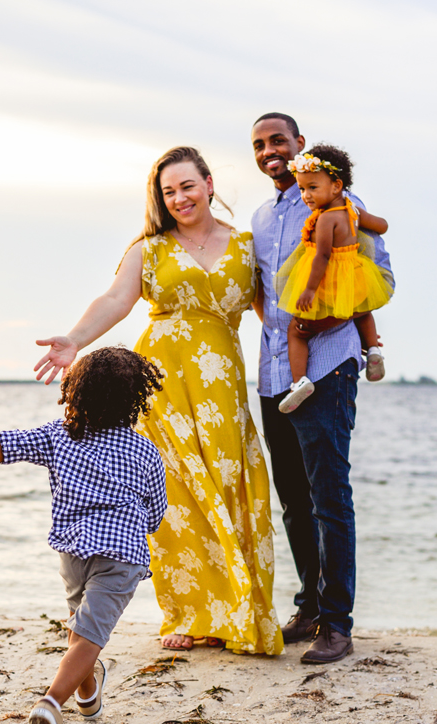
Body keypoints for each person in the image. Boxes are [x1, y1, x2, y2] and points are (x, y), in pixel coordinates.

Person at [35, 146, 283, 656]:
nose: (179, 199)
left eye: (187, 187)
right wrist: (76, 340)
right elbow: (115, 300)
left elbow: (275, 313)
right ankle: (189, 614)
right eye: (168, 192)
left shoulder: (246, 247)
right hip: (162, 388)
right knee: (175, 499)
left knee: (231, 485)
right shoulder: (148, 248)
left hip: (223, 387)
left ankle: (240, 609)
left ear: (210, 184)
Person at [0, 346, 166, 724]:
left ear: (75, 393)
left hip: (73, 553)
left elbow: (4, 446)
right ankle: (52, 703)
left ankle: (88, 695)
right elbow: (155, 514)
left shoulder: (60, 435)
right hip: (121, 554)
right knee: (89, 635)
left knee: (81, 630)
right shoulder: (145, 451)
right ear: (134, 399)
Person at [250, 113, 390, 664]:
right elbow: (261, 291)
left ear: (299, 145)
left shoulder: (344, 207)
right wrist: (279, 328)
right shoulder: (261, 219)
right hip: (273, 373)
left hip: (329, 366)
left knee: (331, 496)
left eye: (277, 141)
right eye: (259, 145)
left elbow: (380, 282)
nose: (269, 152)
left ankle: (337, 624)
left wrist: (318, 323)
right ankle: (308, 606)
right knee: (293, 499)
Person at [276, 145, 393, 413]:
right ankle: (373, 350)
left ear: (336, 185)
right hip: (356, 275)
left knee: (296, 330)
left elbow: (323, 257)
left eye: (312, 188)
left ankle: (299, 381)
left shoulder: (326, 220)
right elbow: (382, 225)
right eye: (302, 189)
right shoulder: (353, 211)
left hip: (330, 282)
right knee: (362, 310)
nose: (306, 196)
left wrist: (308, 290)